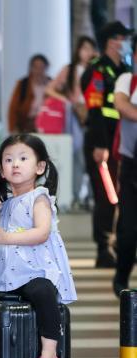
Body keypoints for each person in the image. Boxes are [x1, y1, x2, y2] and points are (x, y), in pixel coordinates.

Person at [0, 134, 77, 358]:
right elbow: (3, 244)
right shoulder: (4, 205)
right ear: (1, 169)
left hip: (34, 273)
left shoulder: (39, 199)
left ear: (40, 167)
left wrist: (6, 237)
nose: (15, 164)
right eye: (8, 160)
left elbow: (41, 233)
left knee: (43, 293)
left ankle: (49, 356)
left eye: (22, 158)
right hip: (10, 276)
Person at [81, 21, 133, 268]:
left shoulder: (125, 69)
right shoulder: (97, 70)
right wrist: (100, 145)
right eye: (122, 38)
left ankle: (123, 245)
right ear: (112, 41)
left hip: (123, 143)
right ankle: (104, 249)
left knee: (125, 197)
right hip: (102, 143)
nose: (125, 43)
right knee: (106, 198)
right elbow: (94, 110)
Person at [45, 36, 98, 210]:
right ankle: (77, 195)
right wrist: (68, 101)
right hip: (75, 116)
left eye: (91, 48)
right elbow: (50, 89)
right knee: (78, 157)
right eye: (84, 48)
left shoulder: (97, 69)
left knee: (93, 156)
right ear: (78, 50)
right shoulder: (69, 70)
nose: (87, 52)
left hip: (94, 115)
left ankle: (91, 196)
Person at [112, 35, 137, 296]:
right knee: (128, 230)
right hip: (131, 166)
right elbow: (122, 106)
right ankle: (121, 276)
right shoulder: (127, 80)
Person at [8, 54, 51, 133]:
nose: (38, 70)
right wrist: (13, 128)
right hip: (28, 125)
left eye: (41, 67)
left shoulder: (52, 84)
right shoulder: (23, 84)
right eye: (35, 67)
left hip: (48, 125)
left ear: (46, 67)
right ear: (31, 68)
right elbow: (13, 108)